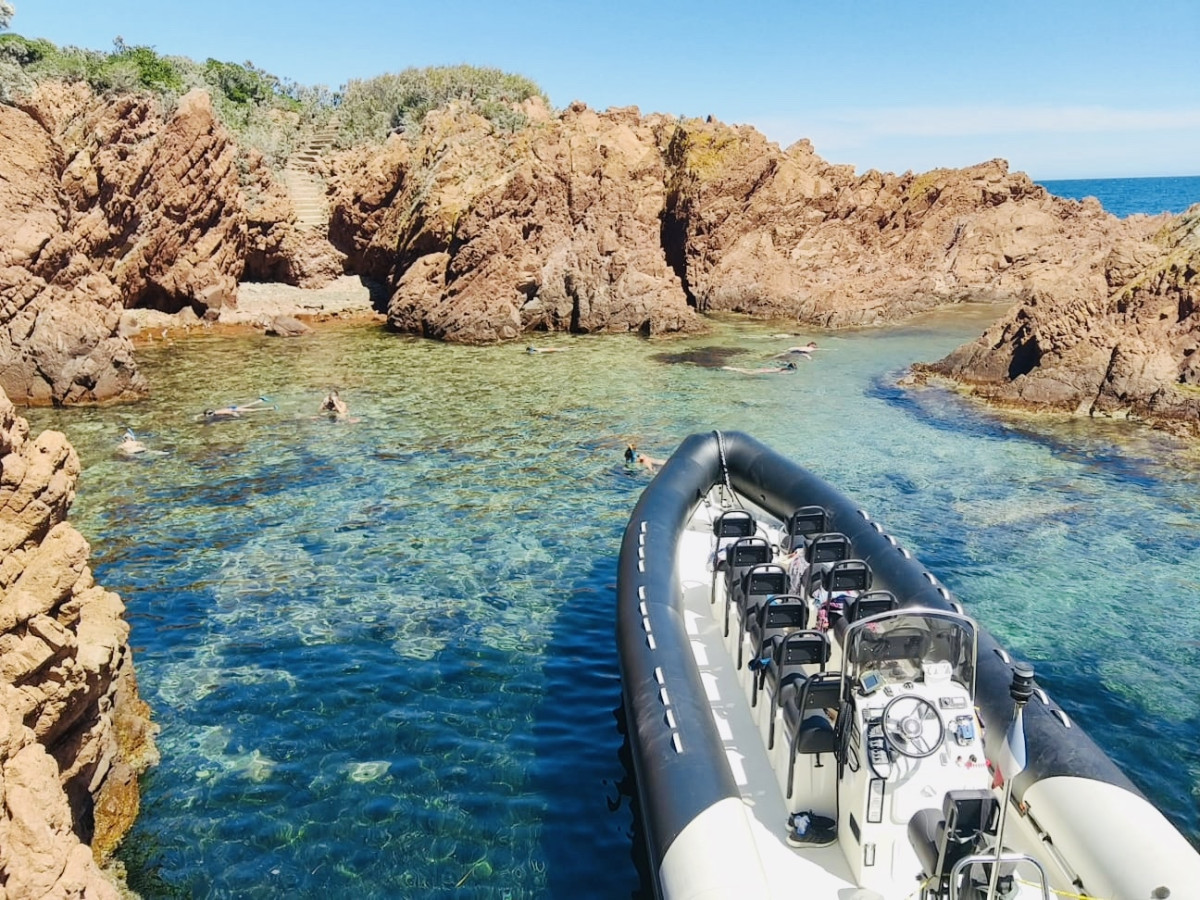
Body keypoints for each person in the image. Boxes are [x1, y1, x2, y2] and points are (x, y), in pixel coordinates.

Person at [721, 361, 798, 374]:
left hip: (765, 370)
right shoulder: (784, 370)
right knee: (748, 372)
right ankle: (730, 368)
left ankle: (730, 368)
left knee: (748, 371)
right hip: (765, 371)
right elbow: (781, 374)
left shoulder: (782, 367)